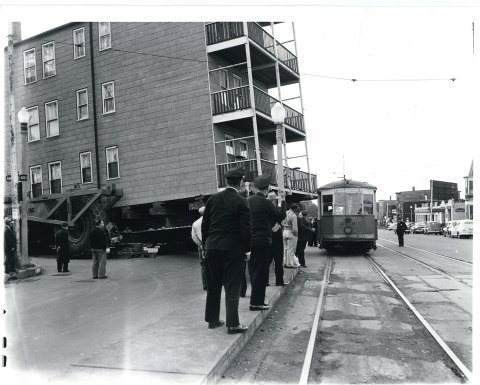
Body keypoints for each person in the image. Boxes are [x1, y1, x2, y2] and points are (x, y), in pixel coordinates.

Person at [201, 167, 252, 334]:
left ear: (226, 181)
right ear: (241, 182)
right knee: (232, 286)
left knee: (213, 285)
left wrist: (204, 246)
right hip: (232, 248)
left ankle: (213, 320)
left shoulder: (212, 199)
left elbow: (205, 225)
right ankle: (232, 324)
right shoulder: (241, 201)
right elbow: (246, 228)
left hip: (212, 247)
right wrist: (247, 249)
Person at [247, 175, 286, 311]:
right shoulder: (267, 202)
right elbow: (280, 215)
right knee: (261, 272)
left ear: (256, 187)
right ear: (268, 188)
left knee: (253, 271)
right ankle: (257, 302)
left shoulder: (248, 201)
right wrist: (282, 200)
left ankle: (255, 300)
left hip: (249, 241)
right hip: (262, 241)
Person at [267, 191, 287, 286]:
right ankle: (279, 281)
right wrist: (283, 201)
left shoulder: (264, 209)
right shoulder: (276, 210)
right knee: (278, 260)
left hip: (266, 236)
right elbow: (283, 214)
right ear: (275, 200)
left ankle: (265, 281)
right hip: (276, 236)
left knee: (267, 261)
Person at [191, 206, 207, 290]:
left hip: (201, 247)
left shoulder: (195, 223)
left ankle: (205, 285)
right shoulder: (211, 221)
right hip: (210, 245)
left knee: (203, 266)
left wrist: (200, 245)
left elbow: (193, 236)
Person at [283, 203, 300, 268]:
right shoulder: (293, 215)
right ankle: (289, 264)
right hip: (291, 232)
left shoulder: (285, 213)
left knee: (285, 248)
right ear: (295, 209)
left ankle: (284, 262)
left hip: (284, 231)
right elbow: (295, 228)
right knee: (291, 249)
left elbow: (282, 222)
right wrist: (296, 234)